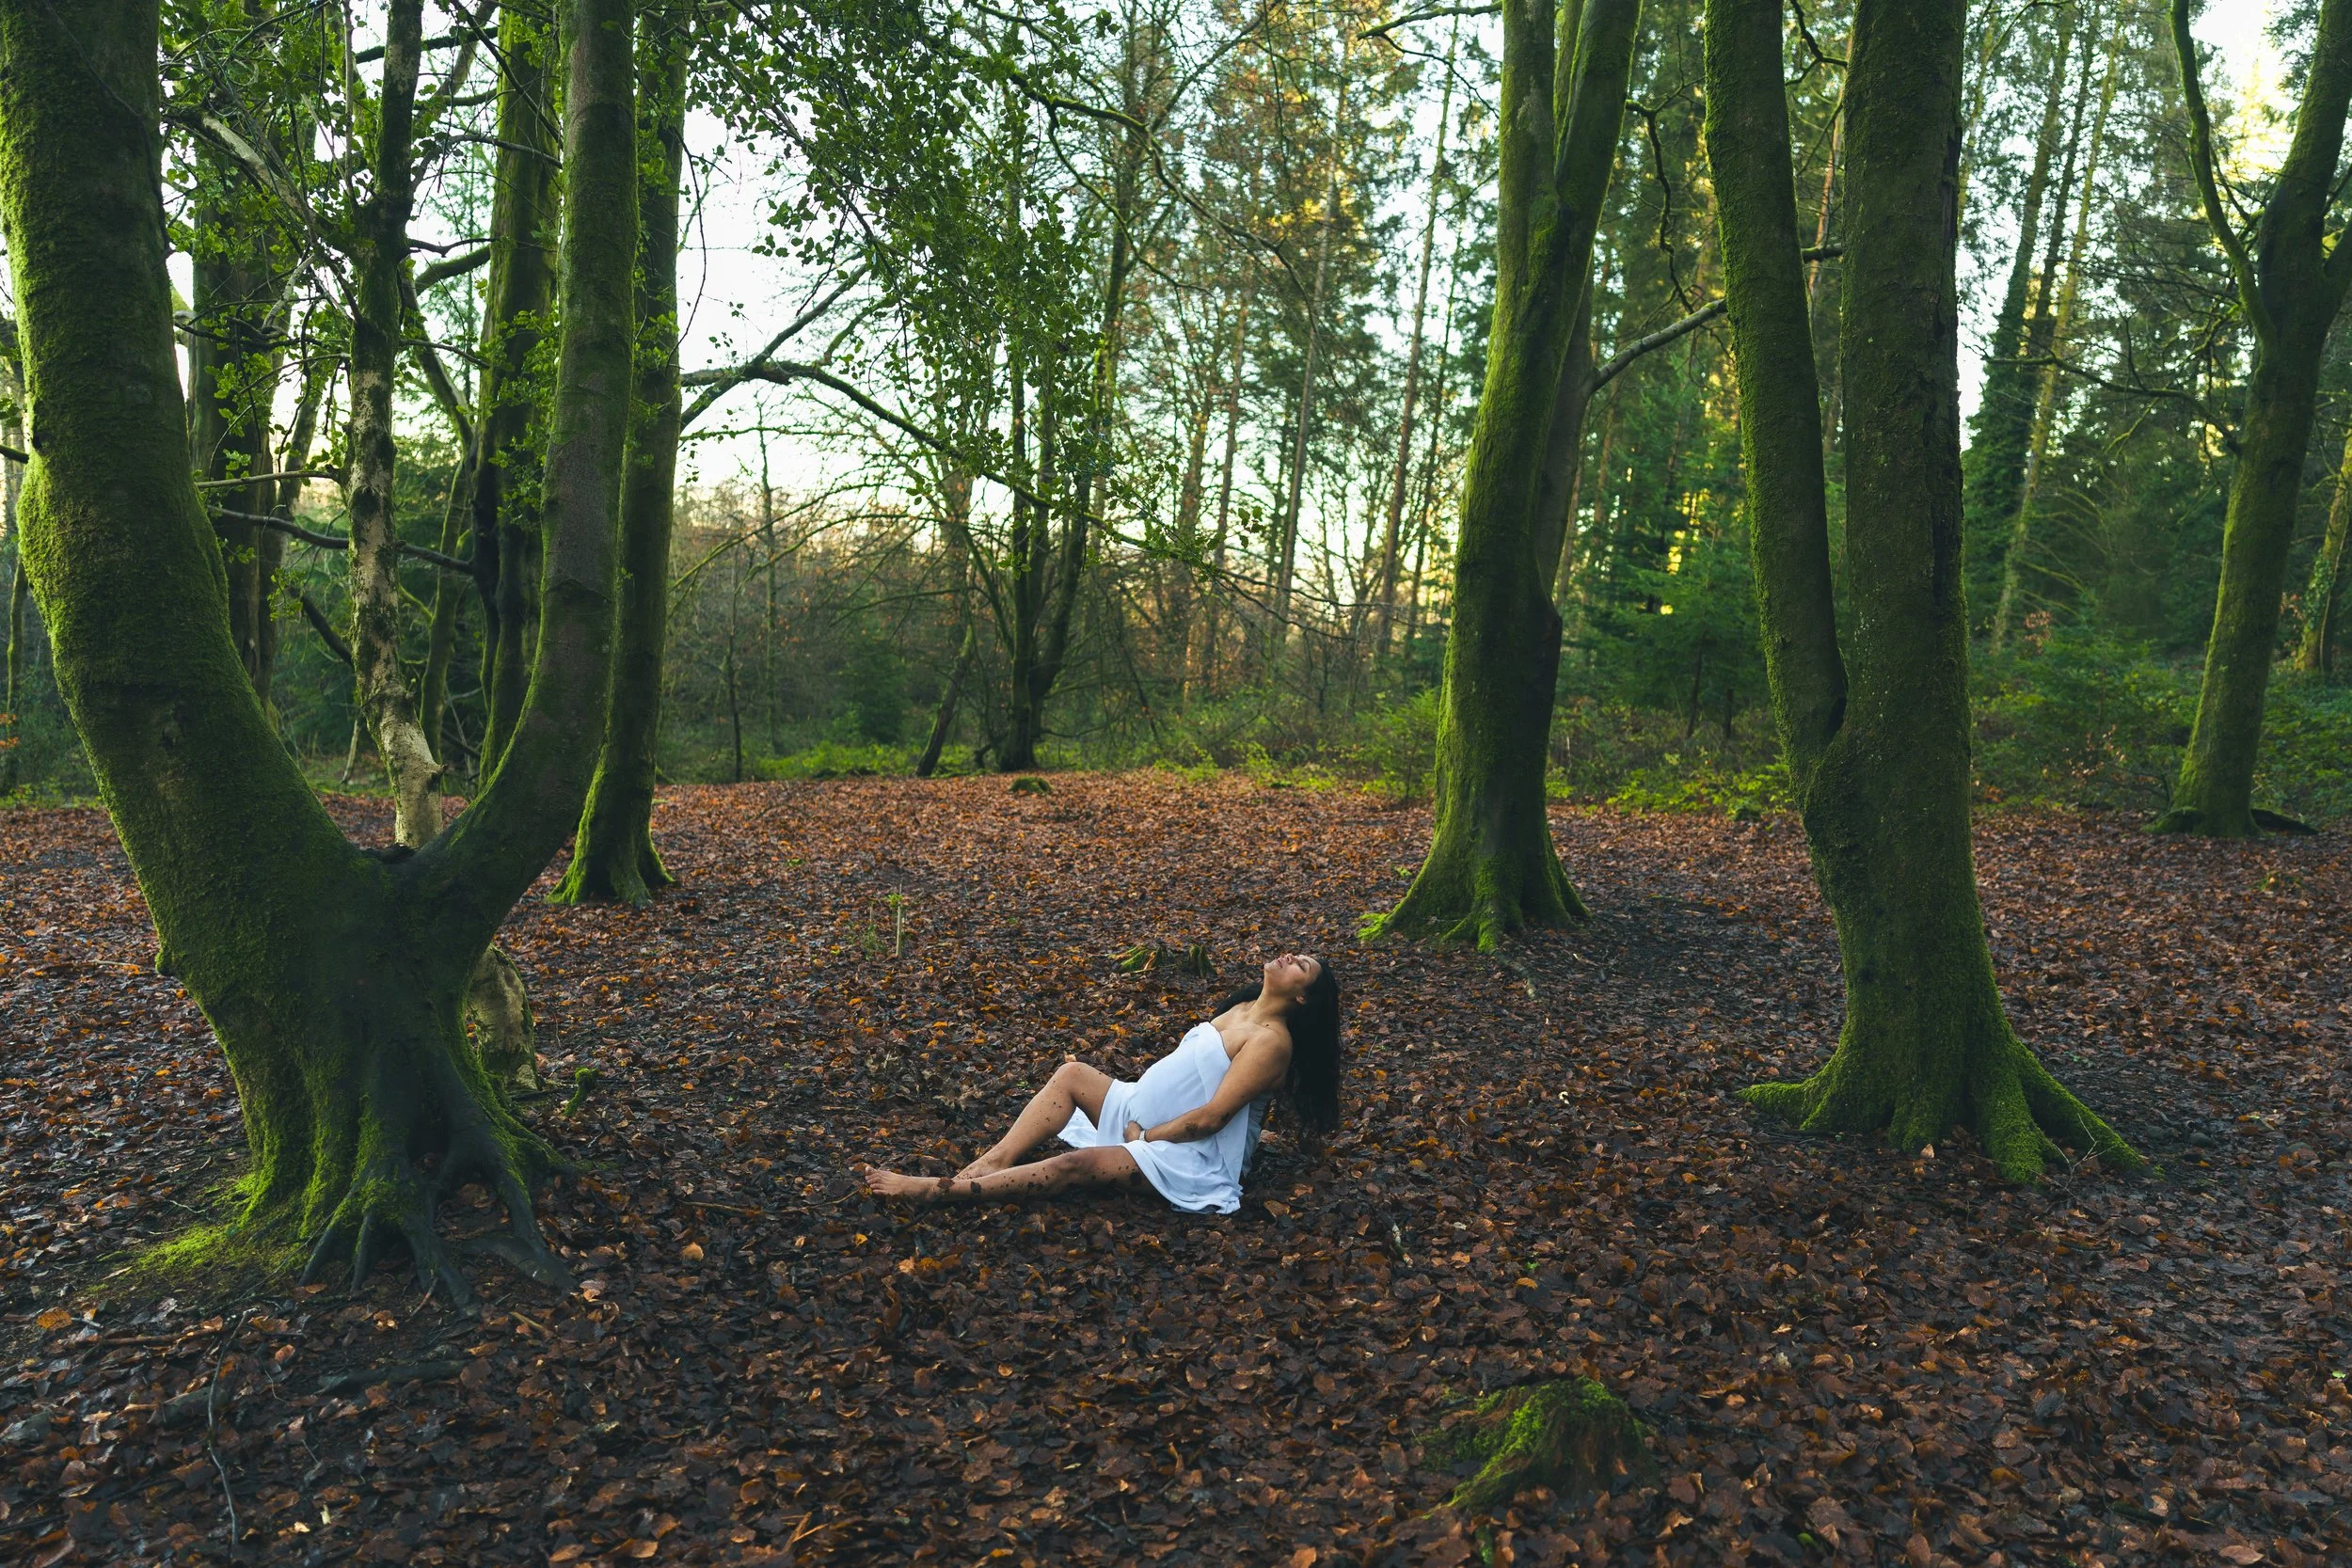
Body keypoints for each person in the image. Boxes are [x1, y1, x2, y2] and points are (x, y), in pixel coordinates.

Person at [861, 952, 1341, 1212]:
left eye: (1301, 965)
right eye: (1295, 953)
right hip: (1136, 1111)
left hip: (1183, 1156)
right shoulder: (1239, 1008)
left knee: (1078, 1163)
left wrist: (1146, 1136)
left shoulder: (1272, 1041)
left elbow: (1212, 1118)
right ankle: (990, 1162)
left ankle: (937, 1191)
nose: (1288, 956)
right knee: (1072, 1074)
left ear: (1303, 999)